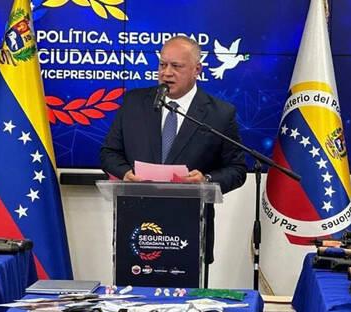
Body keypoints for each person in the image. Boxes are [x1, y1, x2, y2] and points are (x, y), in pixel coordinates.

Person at [99, 36, 248, 265]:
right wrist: (126, 174)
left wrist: (206, 180)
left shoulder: (219, 114)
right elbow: (109, 153)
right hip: (136, 224)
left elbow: (237, 169)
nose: (166, 73)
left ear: (197, 69)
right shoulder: (134, 103)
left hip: (189, 229)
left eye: (176, 66)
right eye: (162, 64)